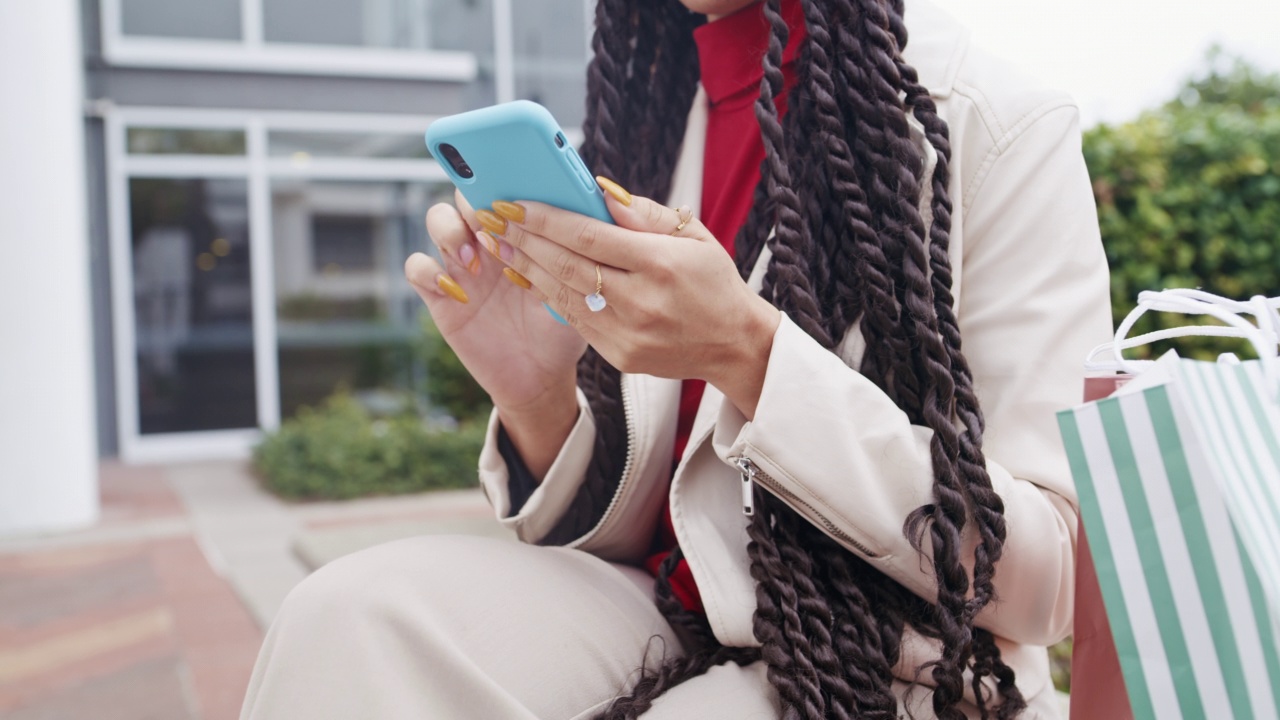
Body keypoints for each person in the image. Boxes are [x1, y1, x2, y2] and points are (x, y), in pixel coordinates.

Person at [239, 0, 1111, 717]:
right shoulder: (656, 122)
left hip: (887, 664)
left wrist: (752, 355)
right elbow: (674, 525)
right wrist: (539, 398)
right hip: (666, 613)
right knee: (344, 617)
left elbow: (1053, 581)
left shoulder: (998, 125)